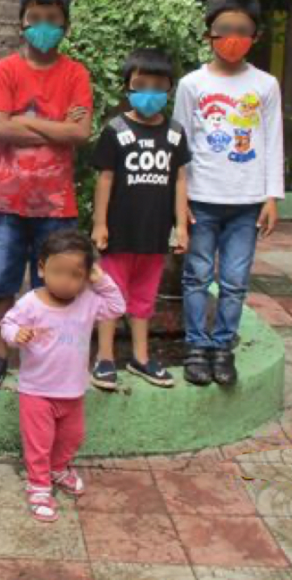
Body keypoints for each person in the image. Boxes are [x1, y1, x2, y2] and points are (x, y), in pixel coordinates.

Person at [0, 0, 94, 390]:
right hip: (5, 199)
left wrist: (24, 123)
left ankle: (44, 357)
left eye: (53, 19)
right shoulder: (6, 69)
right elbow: (0, 127)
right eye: (35, 19)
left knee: (55, 285)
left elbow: (80, 134)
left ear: (67, 25)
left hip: (56, 204)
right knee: (0, 281)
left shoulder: (75, 74)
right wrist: (54, 128)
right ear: (21, 24)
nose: (43, 26)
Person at [172, 0, 284, 386]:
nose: (233, 37)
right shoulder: (191, 85)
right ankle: (196, 347)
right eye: (225, 28)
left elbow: (272, 140)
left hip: (247, 201)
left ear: (255, 36)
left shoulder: (266, 85)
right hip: (202, 198)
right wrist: (179, 201)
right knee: (197, 275)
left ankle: (223, 348)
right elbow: (179, 145)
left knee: (235, 280)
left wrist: (272, 196)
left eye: (243, 29)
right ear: (209, 34)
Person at [0, 231, 125, 522]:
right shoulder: (31, 303)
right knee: (38, 443)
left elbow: (117, 307)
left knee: (72, 437)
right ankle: (39, 486)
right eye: (56, 272)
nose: (65, 281)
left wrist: (100, 278)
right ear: (41, 268)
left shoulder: (89, 300)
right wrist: (16, 334)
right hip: (37, 391)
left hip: (73, 391)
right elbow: (7, 323)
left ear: (86, 277)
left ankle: (59, 468)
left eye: (75, 274)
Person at [91, 49, 191, 391]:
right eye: (140, 85)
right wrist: (100, 224)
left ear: (169, 89)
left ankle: (140, 356)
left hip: (155, 234)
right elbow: (105, 179)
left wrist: (180, 226)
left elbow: (179, 180)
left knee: (145, 297)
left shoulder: (175, 134)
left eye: (158, 86)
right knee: (111, 293)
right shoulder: (116, 130)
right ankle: (104, 357)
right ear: (127, 88)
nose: (149, 93)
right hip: (119, 234)